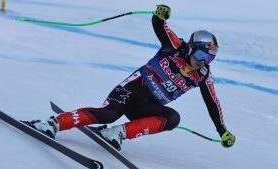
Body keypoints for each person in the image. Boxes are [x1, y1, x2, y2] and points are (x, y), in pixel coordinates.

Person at [24, 4, 235, 150]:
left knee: (172, 118)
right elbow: (160, 26)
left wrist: (222, 131)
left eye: (209, 58)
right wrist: (160, 15)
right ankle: (53, 124)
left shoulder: (203, 75)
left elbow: (212, 104)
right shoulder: (175, 47)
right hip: (131, 90)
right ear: (191, 48)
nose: (202, 61)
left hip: (146, 107)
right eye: (200, 55)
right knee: (108, 114)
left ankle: (116, 134)